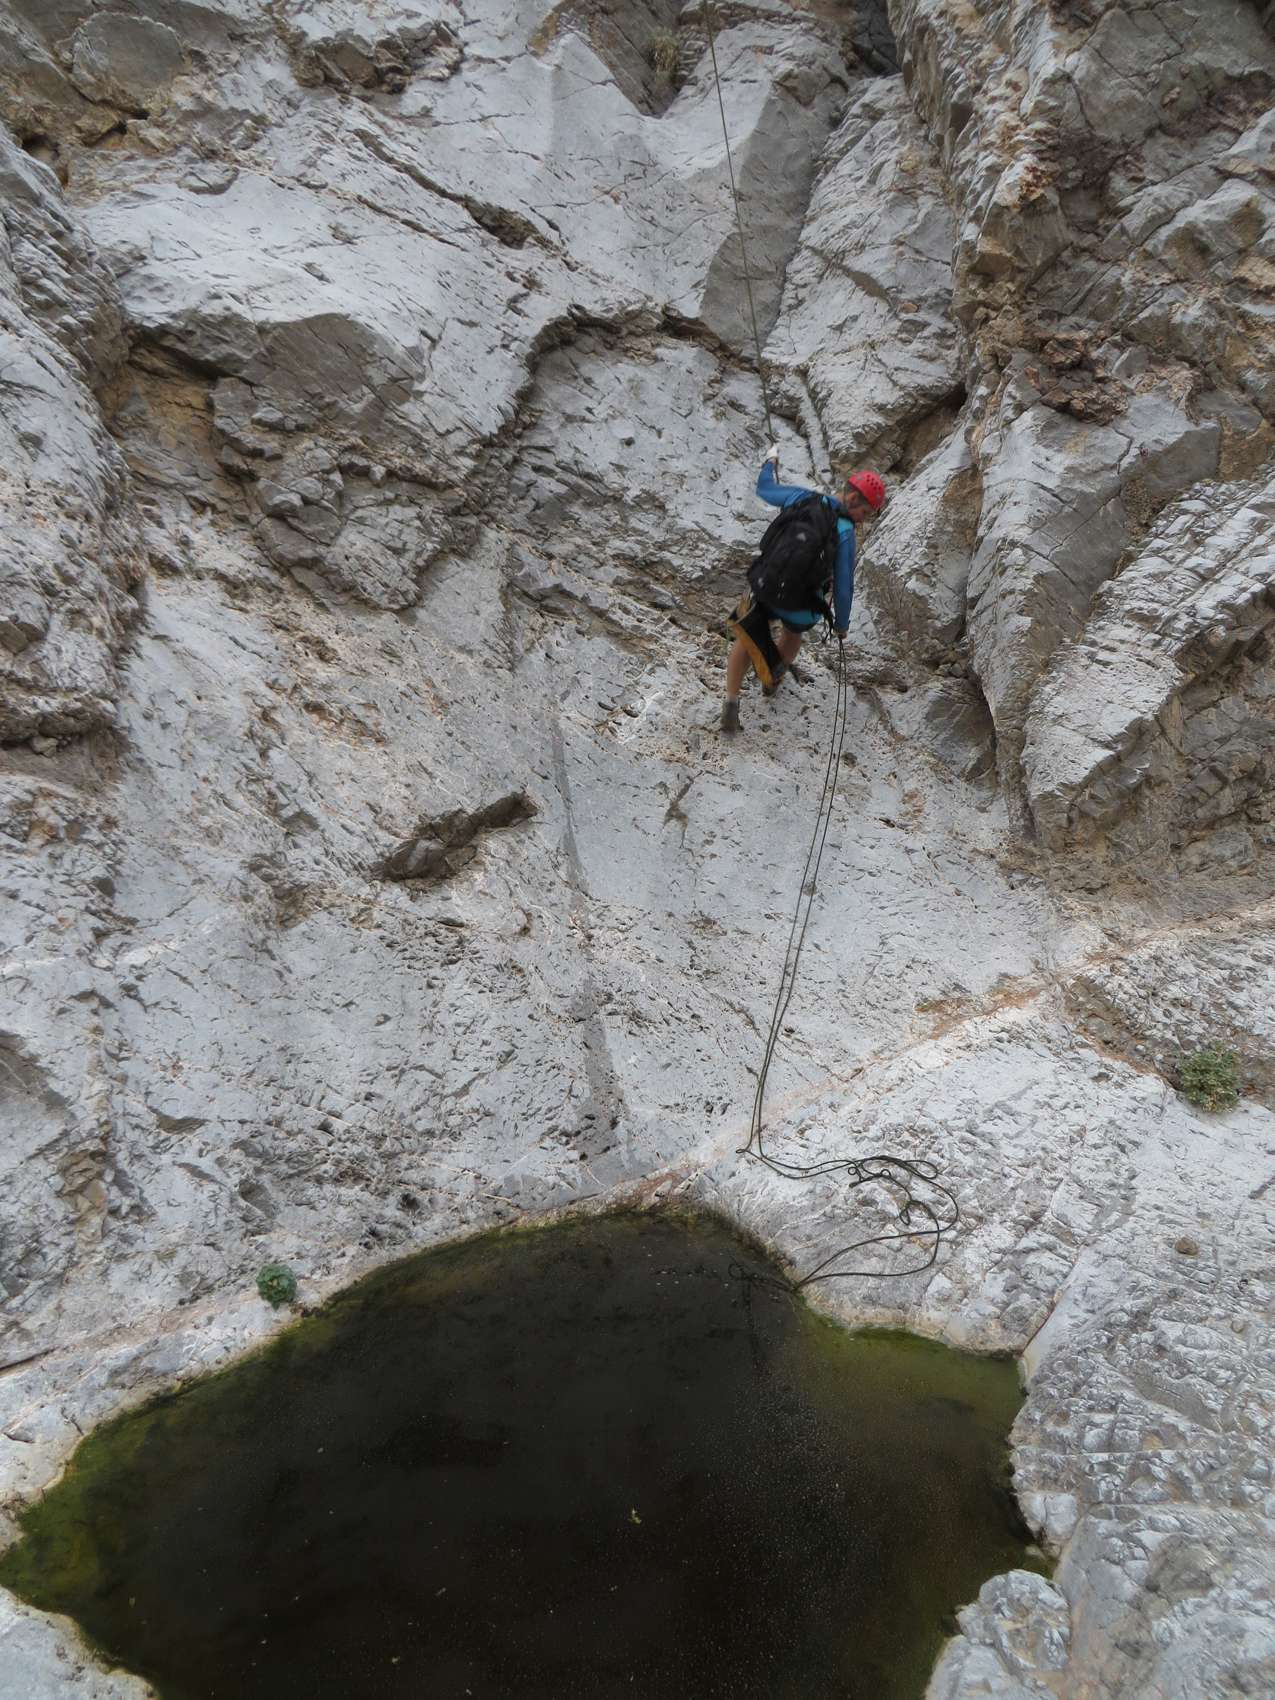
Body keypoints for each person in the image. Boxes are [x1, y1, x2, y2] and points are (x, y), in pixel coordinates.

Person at [720, 449, 884, 733]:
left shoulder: (801, 497)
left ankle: (731, 703)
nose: (862, 520)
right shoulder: (845, 531)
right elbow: (844, 586)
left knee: (747, 639)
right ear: (853, 499)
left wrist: (770, 462)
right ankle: (772, 680)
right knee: (793, 635)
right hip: (801, 605)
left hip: (766, 586)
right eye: (864, 513)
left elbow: (765, 489)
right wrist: (841, 625)